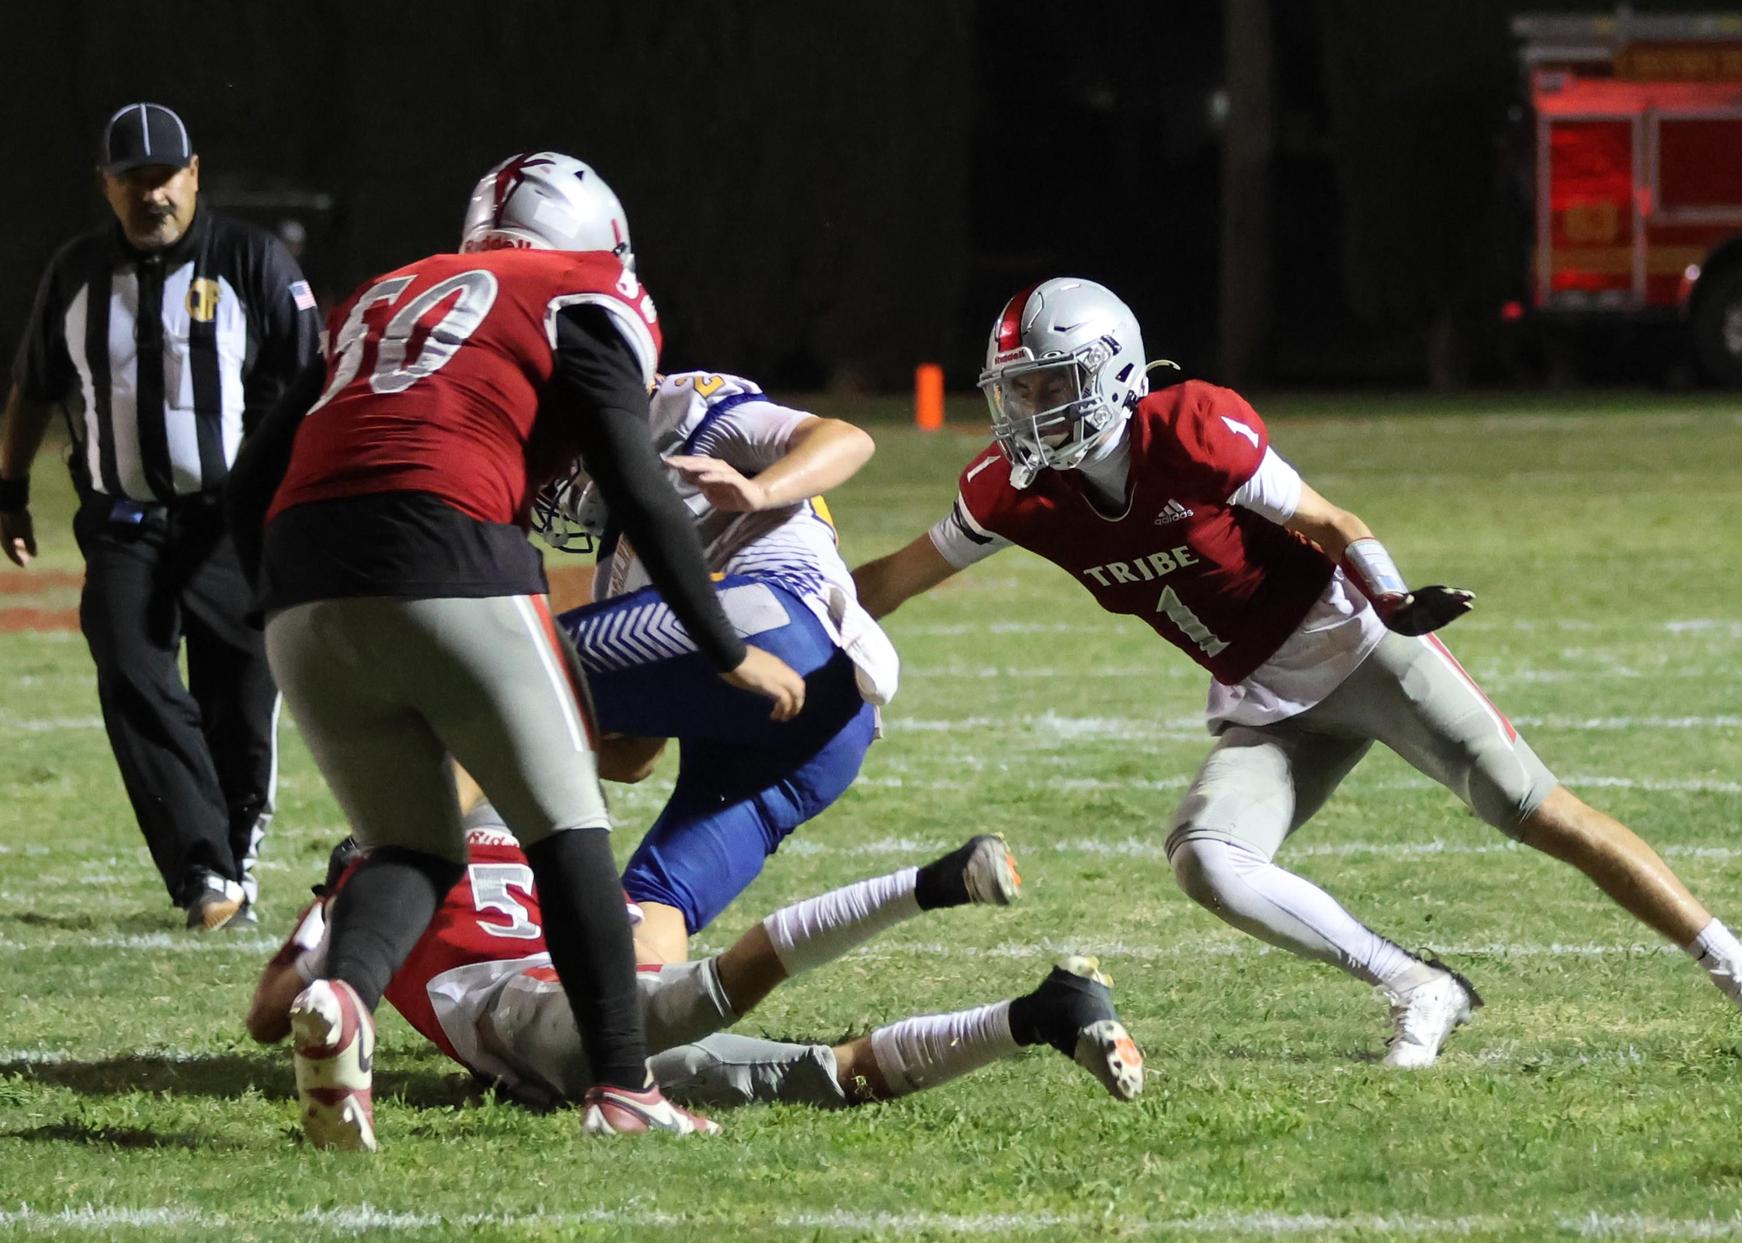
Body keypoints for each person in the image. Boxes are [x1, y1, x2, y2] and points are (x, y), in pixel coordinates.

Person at [851, 276, 1742, 1067]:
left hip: (1354, 640)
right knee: (1208, 859)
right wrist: (791, 618)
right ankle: (1417, 983)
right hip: (1267, 699)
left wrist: (1392, 597)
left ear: (1109, 375)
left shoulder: (1189, 429)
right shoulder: (1014, 494)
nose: (1024, 410)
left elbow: (1329, 523)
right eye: (1014, 389)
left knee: (1533, 805)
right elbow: (891, 580)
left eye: (1045, 384)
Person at [223, 151, 807, 1150]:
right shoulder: (588, 288)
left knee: (408, 844)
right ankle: (624, 1087)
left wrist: (276, 601)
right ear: (597, 238)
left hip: (299, 578)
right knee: (567, 818)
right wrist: (723, 647)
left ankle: (346, 1003)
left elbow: (249, 481)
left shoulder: (387, 290)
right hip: (448, 544)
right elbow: (633, 473)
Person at [244, 809, 1142, 1118]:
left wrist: (321, 917)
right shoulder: (528, 849)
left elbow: (269, 1015)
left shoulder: (368, 881)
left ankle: (936, 882)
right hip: (580, 1015)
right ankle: (1043, 1014)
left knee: (709, 992)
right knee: (828, 1079)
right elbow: (641, 947)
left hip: (528, 1017)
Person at [0, 103, 319, 930]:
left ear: (195, 174)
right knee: (134, 676)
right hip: (124, 524)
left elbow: (313, 378)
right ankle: (205, 871)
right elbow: (34, 388)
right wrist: (8, 491)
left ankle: (233, 851)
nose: (153, 195)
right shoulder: (73, 275)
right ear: (107, 188)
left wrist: (302, 498)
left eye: (166, 176)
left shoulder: (252, 260)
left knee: (240, 699)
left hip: (232, 522)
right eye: (134, 180)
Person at [537, 368, 898, 964]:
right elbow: (634, 758)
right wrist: (523, 745)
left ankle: (380, 870)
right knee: (656, 900)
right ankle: (633, 1051)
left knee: (506, 675)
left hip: (780, 623)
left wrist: (759, 490)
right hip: (832, 730)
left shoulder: (691, 417)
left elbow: (847, 438)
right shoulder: (617, 564)